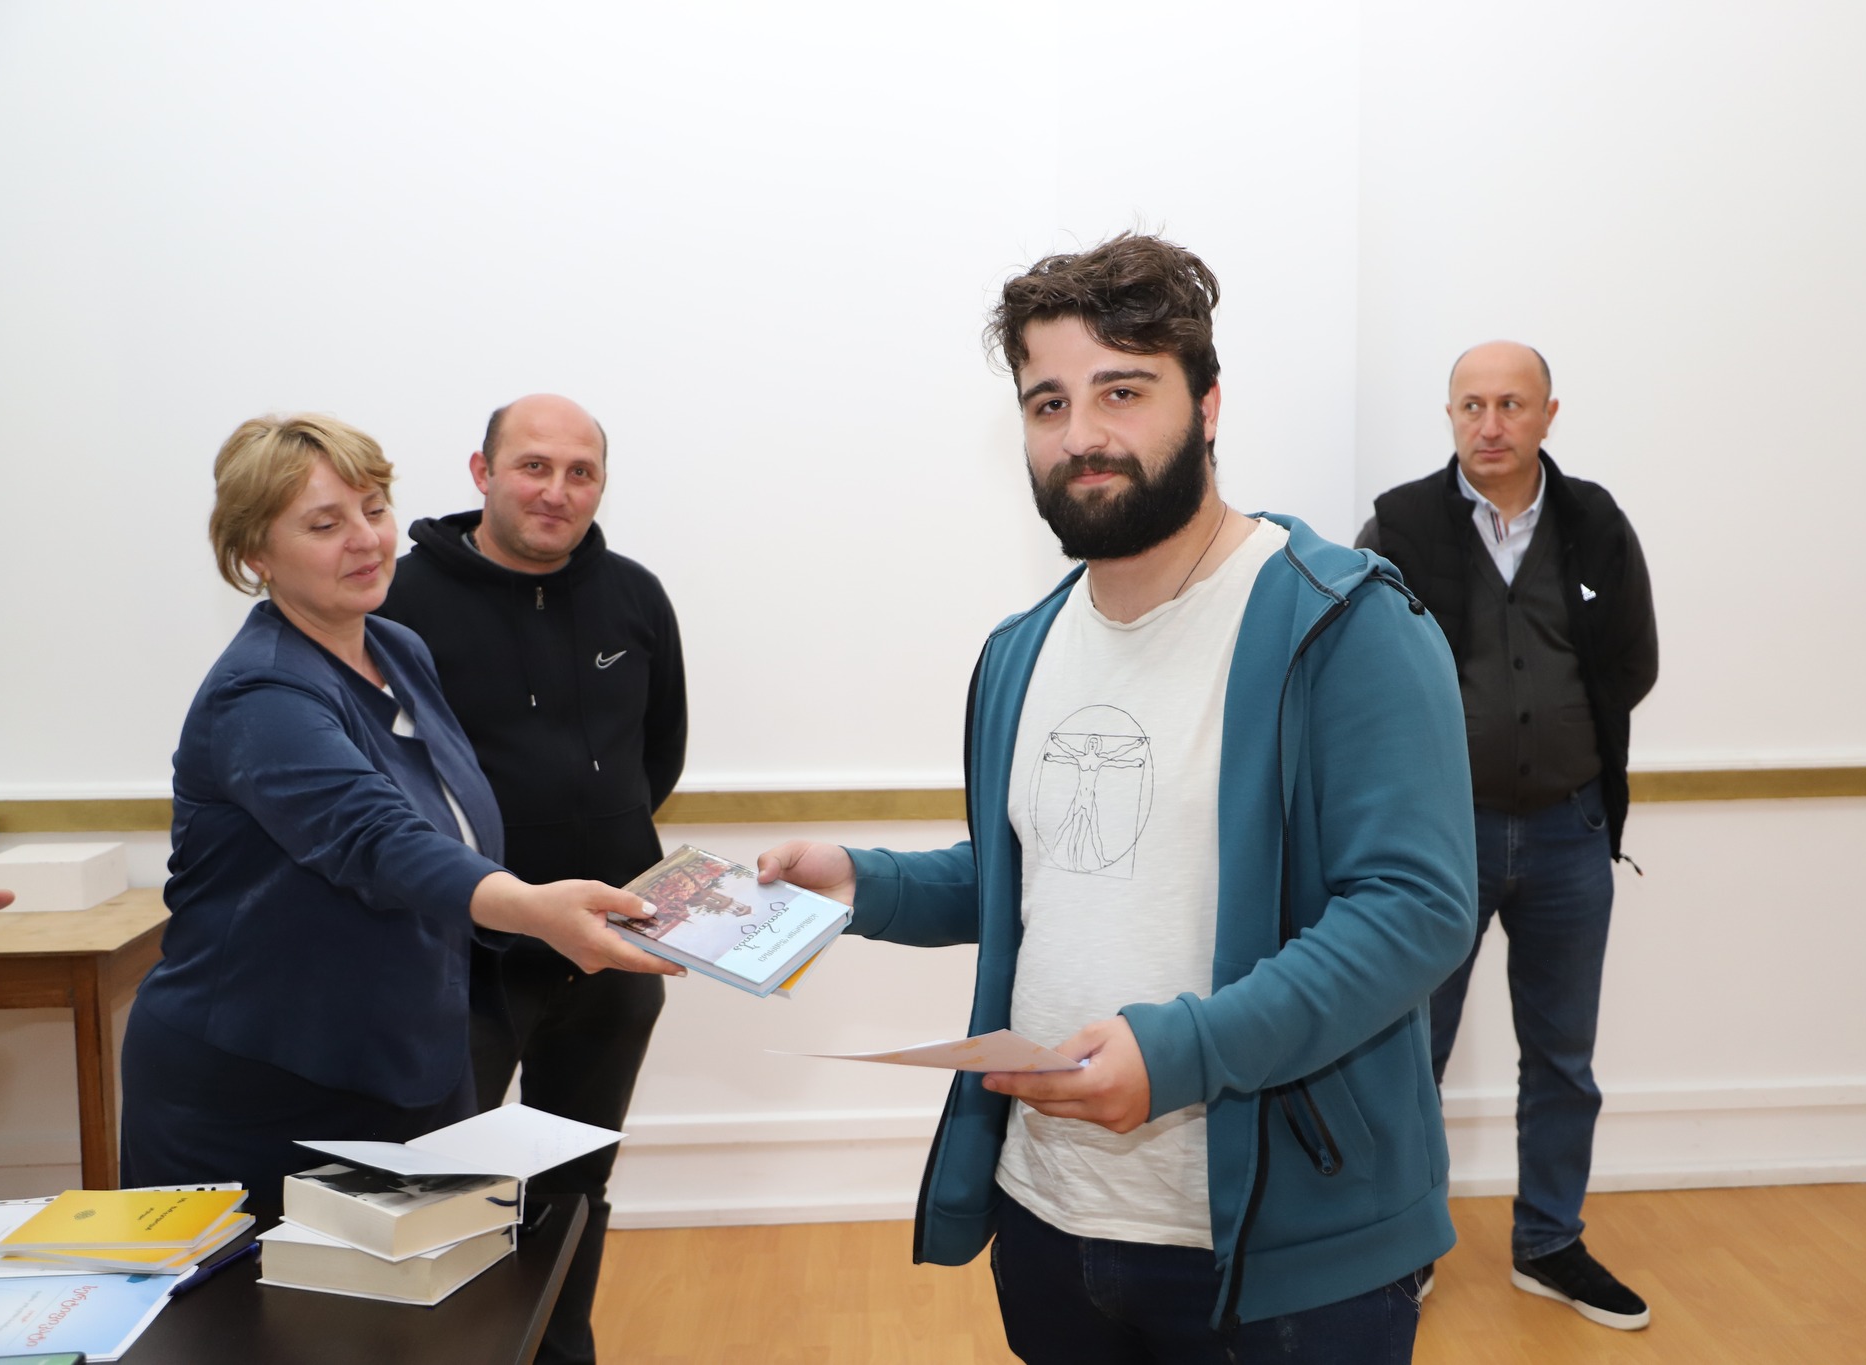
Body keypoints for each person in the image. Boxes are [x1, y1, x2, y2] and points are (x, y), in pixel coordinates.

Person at [758, 235, 1476, 1363]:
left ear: (1208, 405)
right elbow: (1051, 872)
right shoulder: (1021, 649)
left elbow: (1413, 912)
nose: (1081, 434)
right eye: (1048, 402)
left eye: (1122, 391)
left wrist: (1179, 1051)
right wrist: (862, 884)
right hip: (1049, 1217)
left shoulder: (1344, 621)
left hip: (1279, 1249)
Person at [119, 414, 683, 1211]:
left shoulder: (396, 649)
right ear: (254, 554)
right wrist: (533, 908)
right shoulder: (260, 692)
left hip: (406, 1058)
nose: (366, 539)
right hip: (265, 1083)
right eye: (325, 524)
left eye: (375, 508)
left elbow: (455, 822)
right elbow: (378, 838)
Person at [375, 393, 684, 1365]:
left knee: (573, 1184)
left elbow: (659, 754)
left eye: (580, 472)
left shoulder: (634, 597)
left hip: (611, 955)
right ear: (482, 472)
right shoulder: (398, 600)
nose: (557, 491)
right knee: (435, 1196)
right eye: (533, 466)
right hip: (457, 962)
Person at [1356, 341, 1658, 1330]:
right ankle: (1403, 1244)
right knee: (1413, 1051)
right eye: (1471, 405)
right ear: (1449, 415)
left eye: (1511, 405)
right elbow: (1359, 668)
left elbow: (1631, 662)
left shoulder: (1594, 522)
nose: (1490, 424)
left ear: (1547, 415)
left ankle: (1549, 1243)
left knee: (1563, 1056)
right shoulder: (1399, 525)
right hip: (1440, 840)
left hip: (1571, 829)